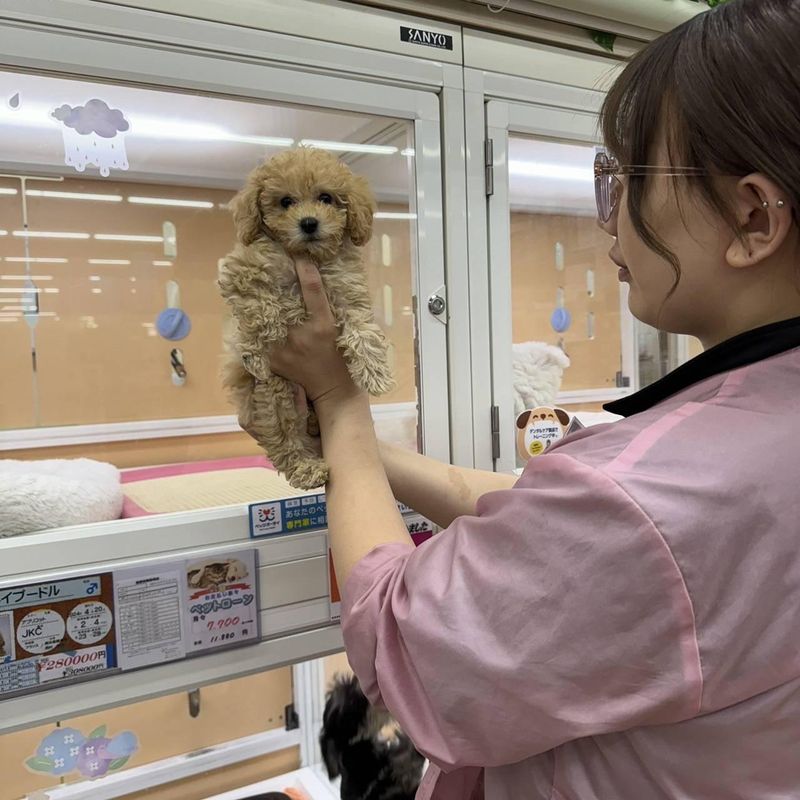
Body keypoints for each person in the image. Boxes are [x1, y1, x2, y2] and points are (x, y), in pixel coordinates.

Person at [262, 0, 800, 796]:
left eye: (629, 179)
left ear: (752, 217)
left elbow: (402, 642)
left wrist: (339, 399)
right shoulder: (744, 430)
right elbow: (543, 515)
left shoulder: (651, 495)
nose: (611, 220)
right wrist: (365, 455)